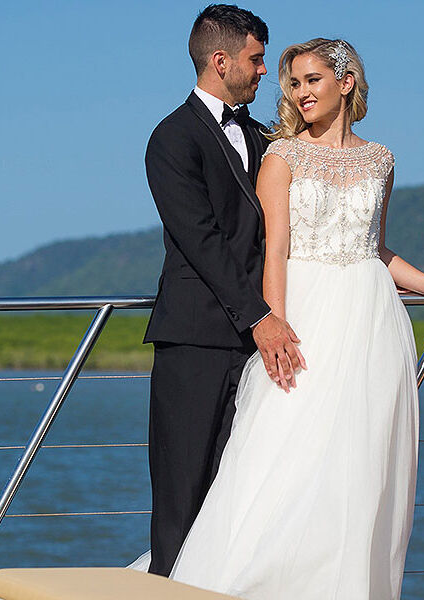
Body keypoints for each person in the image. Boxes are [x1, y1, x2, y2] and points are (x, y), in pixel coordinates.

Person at [153, 38, 424, 599]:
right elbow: (276, 248)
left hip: (370, 322)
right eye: (293, 82)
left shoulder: (381, 159)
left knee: (358, 465)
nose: (300, 92)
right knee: (284, 454)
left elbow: (377, 251)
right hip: (304, 315)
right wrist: (274, 324)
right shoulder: (281, 156)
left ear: (346, 82)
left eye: (312, 80)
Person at [142, 5, 305, 577]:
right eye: (257, 60)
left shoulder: (266, 138)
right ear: (221, 61)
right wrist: (260, 316)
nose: (266, 72)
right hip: (196, 340)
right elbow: (201, 240)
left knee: (238, 494)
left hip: (262, 344)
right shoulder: (171, 139)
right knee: (183, 491)